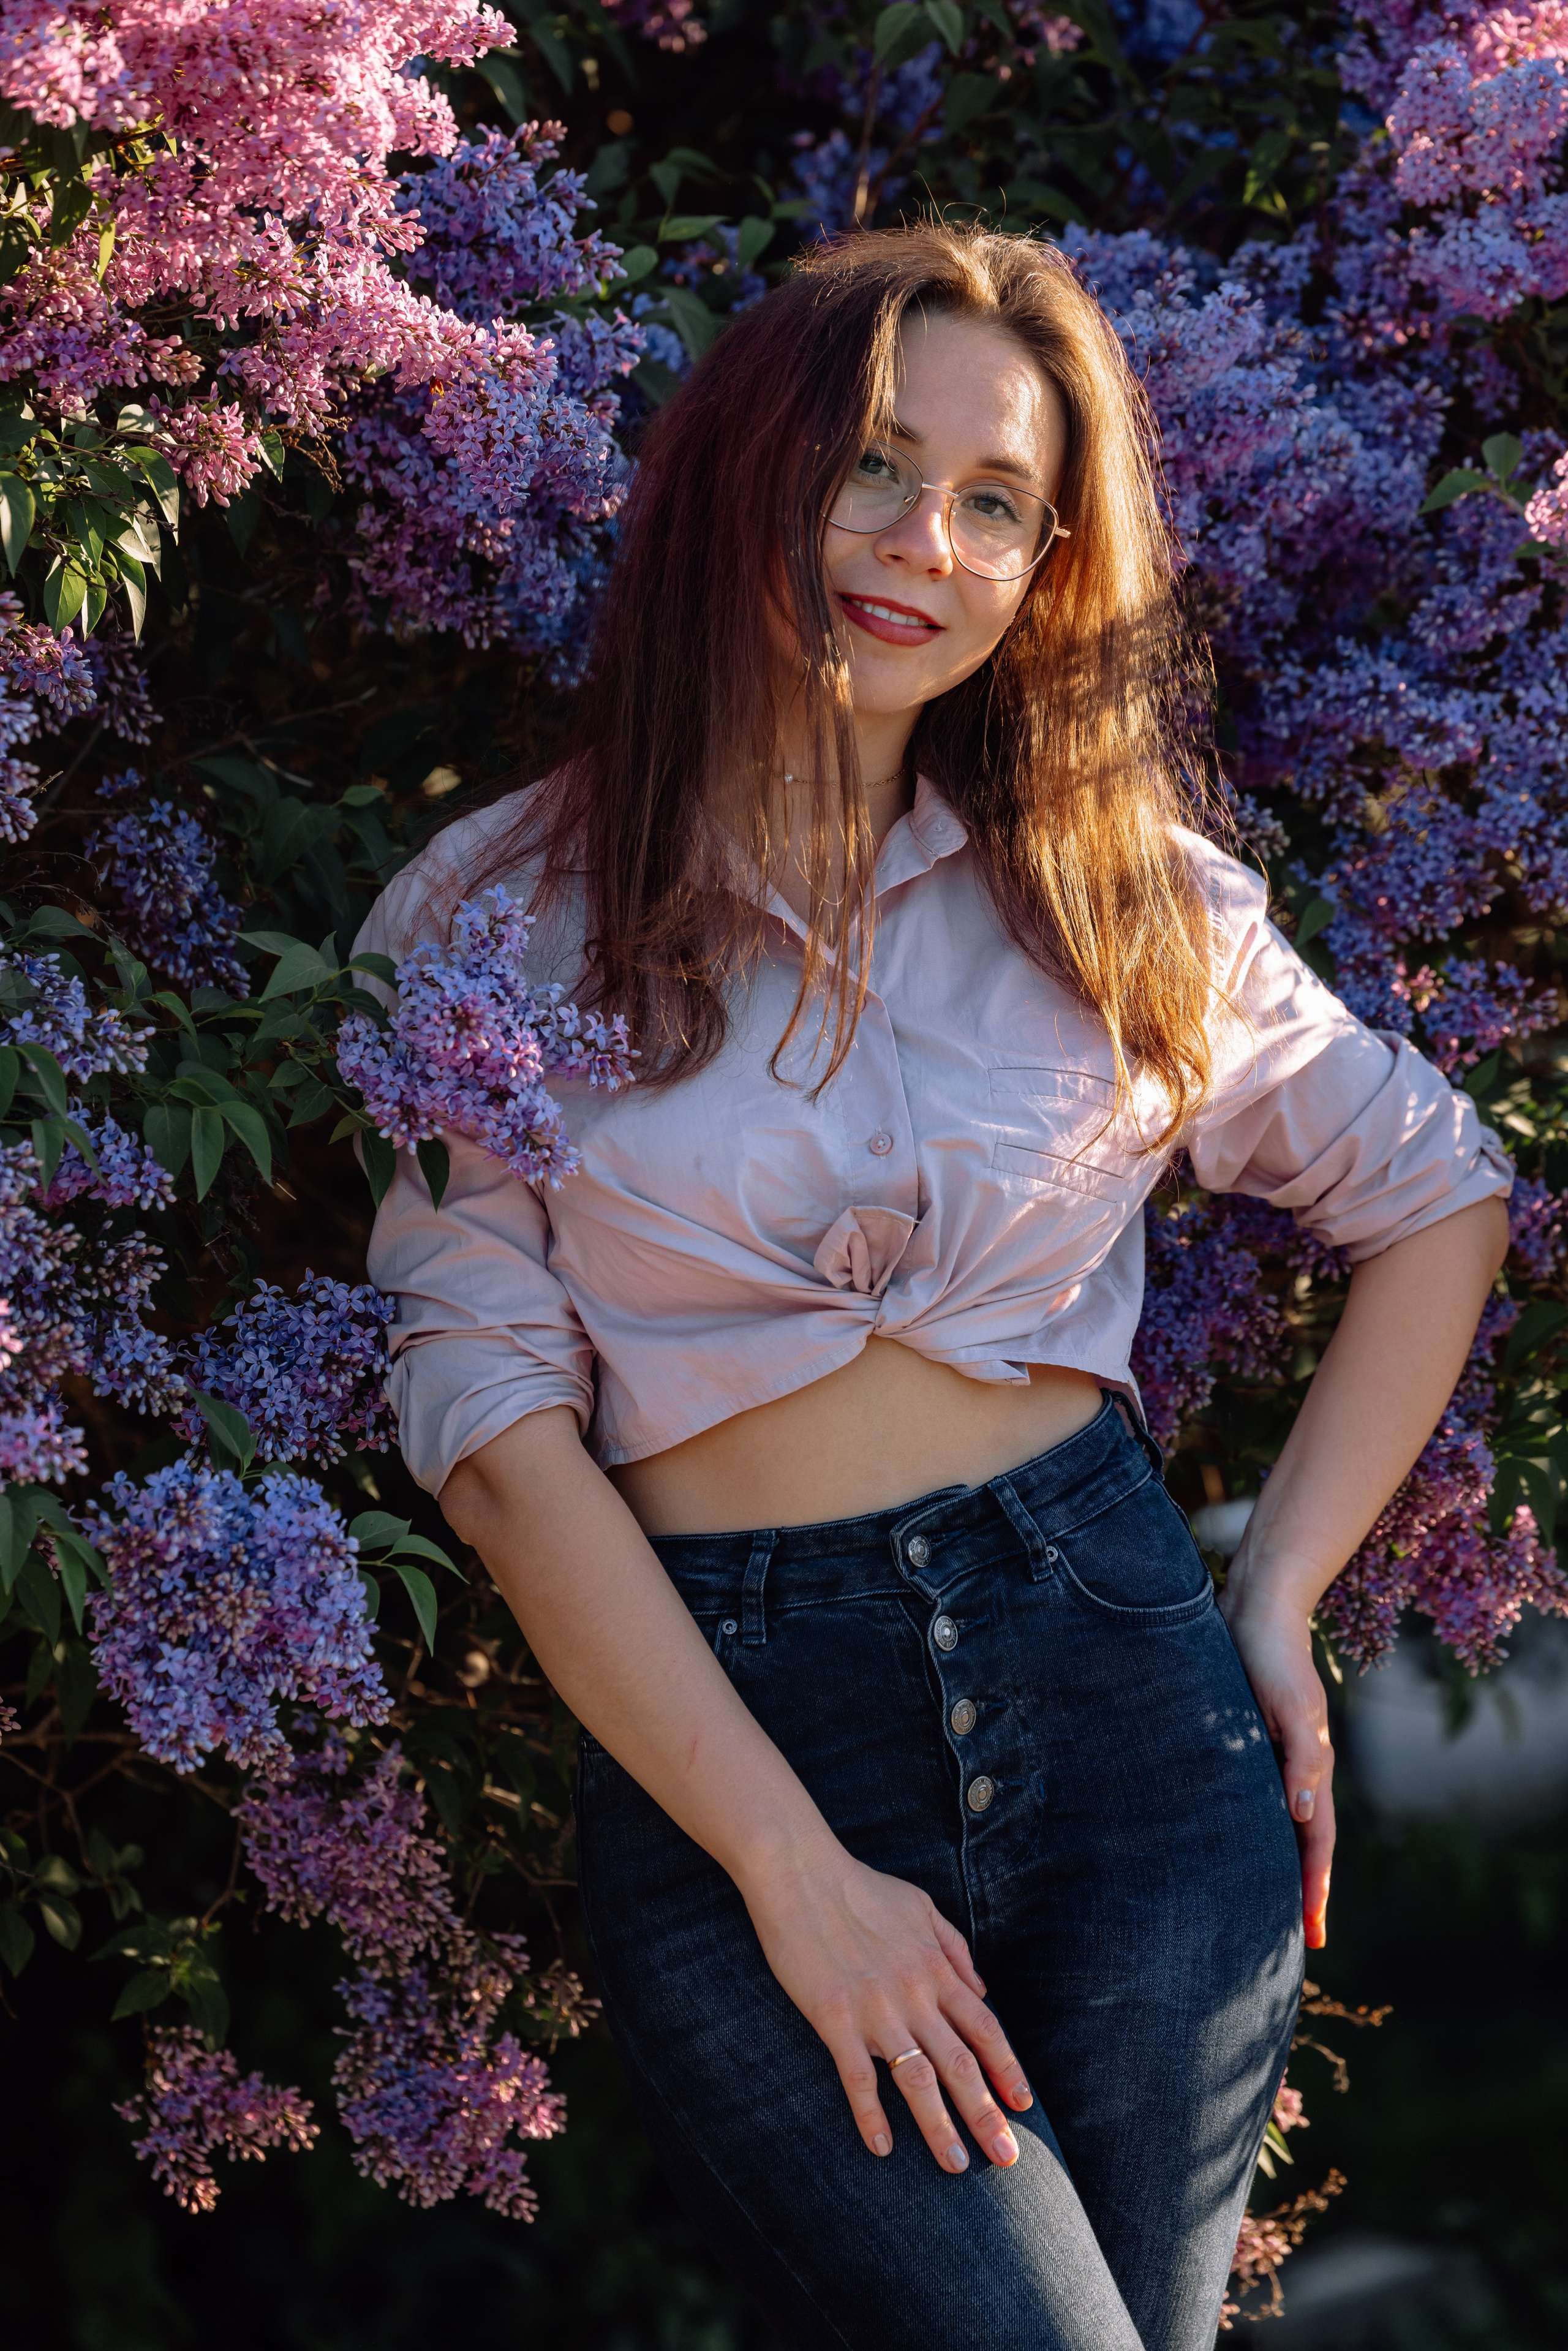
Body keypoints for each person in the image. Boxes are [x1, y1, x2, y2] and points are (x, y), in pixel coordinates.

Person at [356, 225, 1512, 2350]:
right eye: (876, 466)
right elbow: (504, 1456)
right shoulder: (491, 919)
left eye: (998, 503)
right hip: (743, 1748)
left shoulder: (1111, 889)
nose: (927, 544)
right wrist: (800, 1882)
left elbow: (1436, 1198)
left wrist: (1270, 1600)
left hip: (1130, 1699)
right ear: (748, 472)